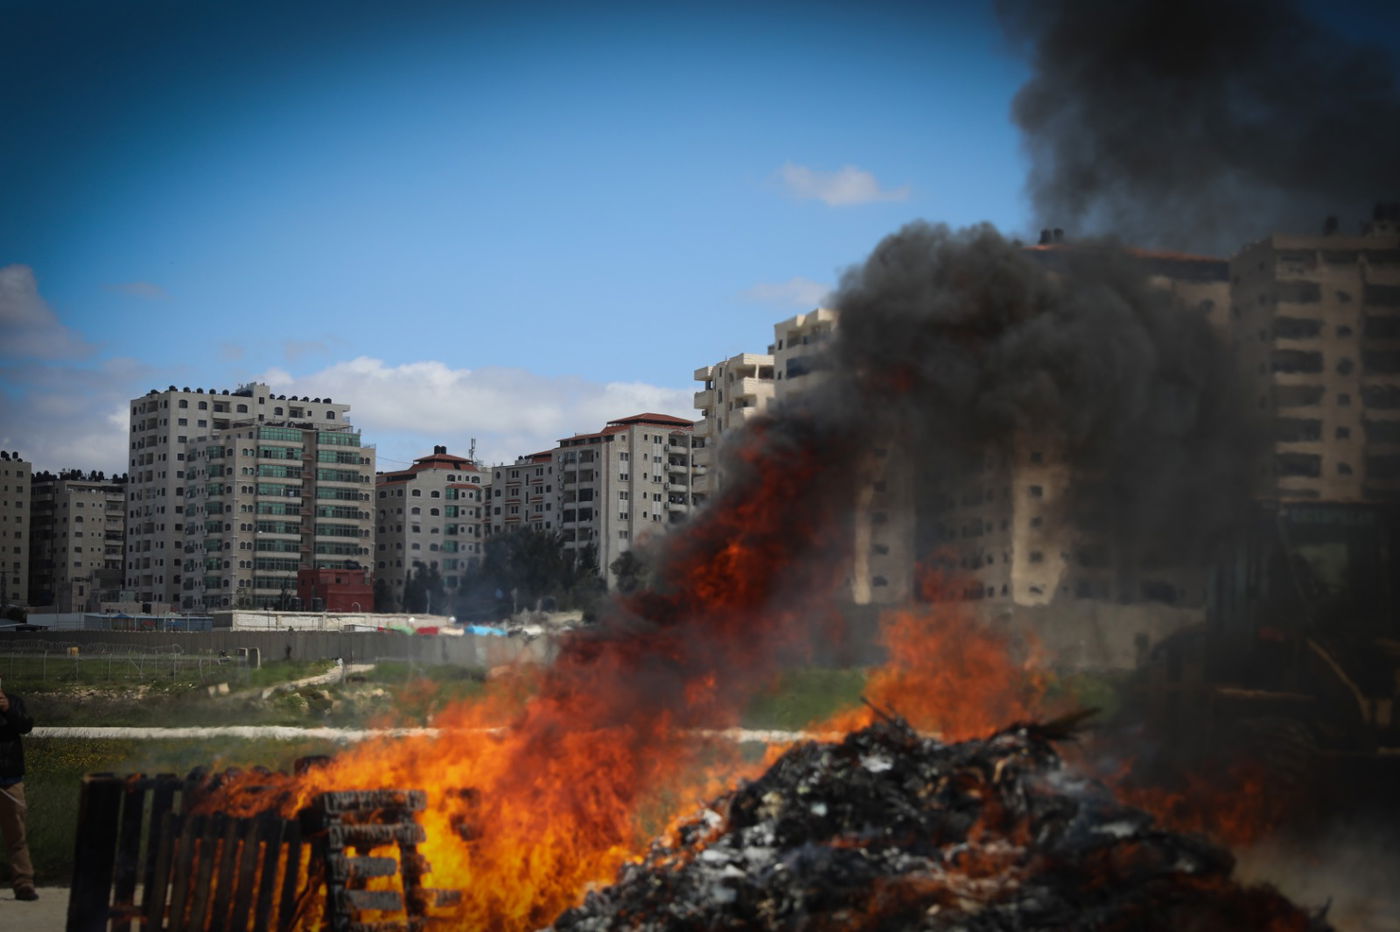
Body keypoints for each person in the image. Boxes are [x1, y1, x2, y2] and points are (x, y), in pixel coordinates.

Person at [0, 682, 36, 901]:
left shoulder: (14, 702)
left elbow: (25, 725)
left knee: (16, 836)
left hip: (10, 779)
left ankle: (24, 884)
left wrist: (7, 709)